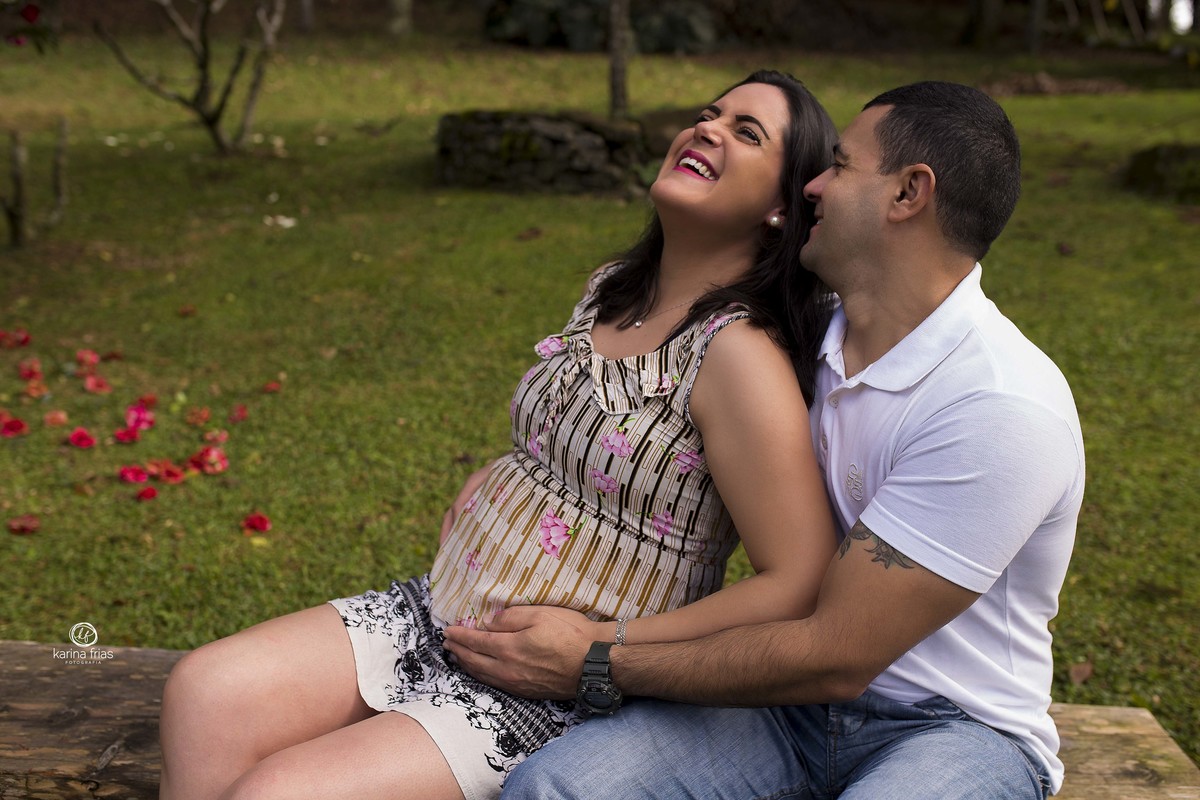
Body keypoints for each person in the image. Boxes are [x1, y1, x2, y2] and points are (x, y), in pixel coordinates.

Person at [157, 70, 840, 800]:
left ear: (780, 205)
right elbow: (602, 447)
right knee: (205, 691)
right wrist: (511, 471)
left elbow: (796, 581)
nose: (707, 128)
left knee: (277, 794)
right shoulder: (616, 286)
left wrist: (600, 653)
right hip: (441, 611)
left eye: (746, 132)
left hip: (547, 688)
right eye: (710, 113)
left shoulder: (737, 356)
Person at [445, 81, 1086, 800]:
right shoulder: (815, 336)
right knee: (554, 787)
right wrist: (522, 472)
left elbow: (837, 655)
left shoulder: (998, 408)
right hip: (786, 709)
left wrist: (598, 659)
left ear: (908, 193)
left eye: (840, 165)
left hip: (954, 727)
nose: (812, 184)